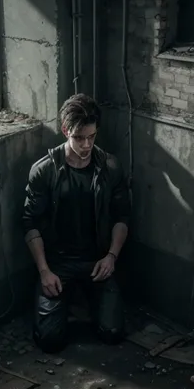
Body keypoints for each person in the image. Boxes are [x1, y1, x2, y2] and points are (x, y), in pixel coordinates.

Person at [23, 93, 130, 352]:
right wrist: (44, 271)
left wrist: (112, 257)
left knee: (113, 333)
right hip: (58, 263)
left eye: (91, 137)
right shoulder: (45, 170)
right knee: (49, 340)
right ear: (65, 131)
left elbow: (122, 217)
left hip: (97, 260)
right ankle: (68, 300)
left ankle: (87, 300)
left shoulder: (110, 167)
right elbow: (30, 222)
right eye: (79, 137)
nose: (86, 145)